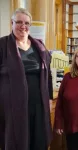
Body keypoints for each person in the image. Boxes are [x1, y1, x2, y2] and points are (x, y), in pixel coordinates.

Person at [0, 8, 53, 150]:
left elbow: (47, 74)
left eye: (27, 23)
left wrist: (49, 98)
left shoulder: (39, 46)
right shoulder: (2, 45)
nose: (23, 26)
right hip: (12, 107)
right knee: (17, 141)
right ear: (12, 23)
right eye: (19, 22)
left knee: (38, 141)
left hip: (38, 105)